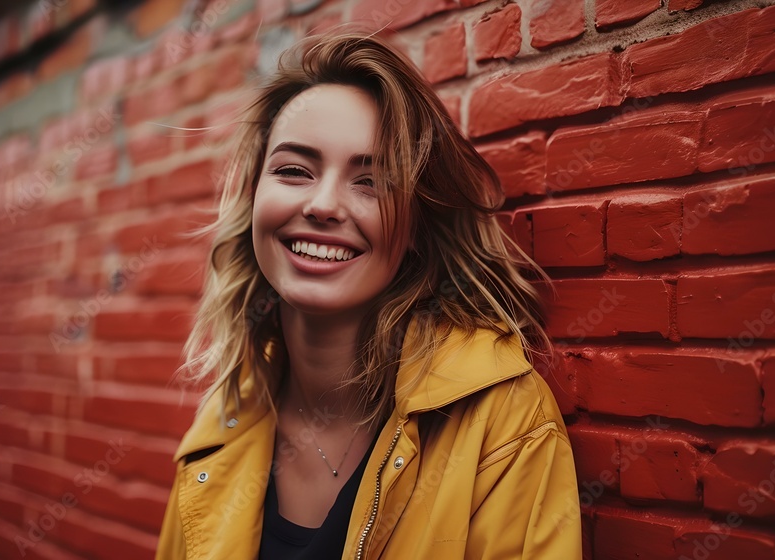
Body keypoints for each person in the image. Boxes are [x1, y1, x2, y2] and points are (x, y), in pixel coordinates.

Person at [155, 29, 580, 560]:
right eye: (293, 170)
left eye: (372, 181)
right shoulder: (221, 423)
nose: (324, 204)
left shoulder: (502, 423)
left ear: (418, 229)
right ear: (254, 198)